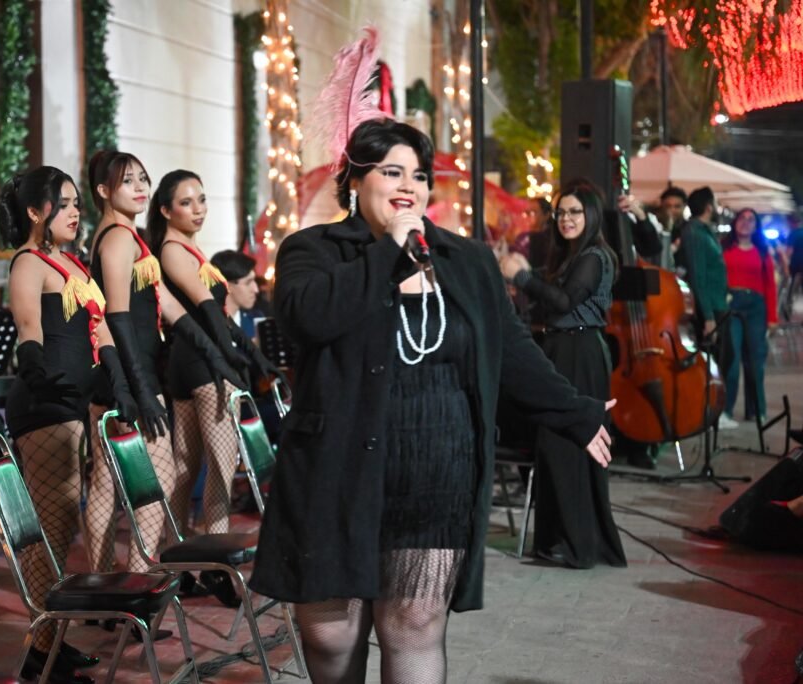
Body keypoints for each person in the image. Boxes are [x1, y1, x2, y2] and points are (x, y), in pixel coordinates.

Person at [250, 117, 615, 683]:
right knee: (331, 635)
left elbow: (511, 349)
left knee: (414, 624)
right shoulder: (313, 251)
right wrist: (388, 251)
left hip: (435, 469)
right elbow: (308, 318)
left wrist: (575, 413)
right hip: (337, 467)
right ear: (355, 180)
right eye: (392, 172)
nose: (409, 186)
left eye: (419, 176)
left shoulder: (465, 260)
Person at [1, 165, 137, 683]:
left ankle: (49, 643)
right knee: (51, 531)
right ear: (36, 212)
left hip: (73, 407)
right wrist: (36, 371)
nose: (76, 211)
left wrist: (118, 382)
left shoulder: (73, 263)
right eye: (64, 203)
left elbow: (100, 329)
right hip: (44, 405)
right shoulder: (28, 262)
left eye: (78, 202)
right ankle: (41, 651)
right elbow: (28, 328)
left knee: (59, 530)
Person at [85, 149, 244, 576]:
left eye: (142, 178)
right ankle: (138, 582)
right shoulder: (118, 238)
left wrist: (220, 354)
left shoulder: (129, 237)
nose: (140, 187)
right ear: (104, 191)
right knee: (157, 482)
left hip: (124, 372)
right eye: (127, 181)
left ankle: (104, 583)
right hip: (129, 373)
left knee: (106, 483)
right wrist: (139, 388)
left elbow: (170, 308)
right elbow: (117, 316)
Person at [501, 180, 627, 569]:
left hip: (579, 352)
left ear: (591, 215)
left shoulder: (594, 256)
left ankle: (577, 544)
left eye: (574, 212)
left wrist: (523, 277)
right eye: (560, 213)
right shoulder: (573, 256)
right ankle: (562, 539)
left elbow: (564, 302)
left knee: (568, 446)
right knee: (556, 444)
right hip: (565, 349)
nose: (566, 219)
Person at [146, 170, 279, 536]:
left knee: (188, 467)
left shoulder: (187, 248)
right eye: (186, 203)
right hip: (200, 363)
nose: (198, 209)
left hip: (191, 362)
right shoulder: (172, 250)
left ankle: (177, 549)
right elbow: (207, 309)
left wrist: (253, 354)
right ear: (166, 210)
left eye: (201, 200)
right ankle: (213, 551)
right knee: (221, 466)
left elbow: (215, 312)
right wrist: (230, 355)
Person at [678, 186, 735, 428]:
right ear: (708, 206)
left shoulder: (703, 230)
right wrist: (708, 316)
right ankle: (709, 414)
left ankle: (713, 412)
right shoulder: (694, 232)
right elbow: (698, 275)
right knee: (716, 360)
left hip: (718, 303)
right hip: (709, 307)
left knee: (724, 358)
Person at [721, 208, 777, 423]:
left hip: (756, 307)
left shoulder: (762, 252)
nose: (746, 222)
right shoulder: (724, 249)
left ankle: (756, 410)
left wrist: (772, 318)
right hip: (732, 305)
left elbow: (770, 285)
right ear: (735, 222)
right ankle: (725, 411)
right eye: (742, 218)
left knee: (755, 362)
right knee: (732, 360)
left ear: (756, 226)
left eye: (751, 219)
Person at [210, 249, 265, 340]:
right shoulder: (207, 326)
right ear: (226, 285)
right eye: (248, 283)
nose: (256, 290)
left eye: (254, 281)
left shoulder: (257, 321)